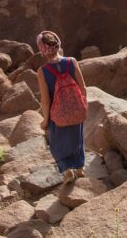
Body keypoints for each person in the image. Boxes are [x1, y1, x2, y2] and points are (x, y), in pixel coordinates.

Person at [35, 31, 87, 183]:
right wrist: (82, 105)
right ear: (58, 44)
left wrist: (45, 120)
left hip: (57, 116)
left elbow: (45, 100)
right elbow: (82, 87)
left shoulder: (43, 71)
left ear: (41, 49)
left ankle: (68, 171)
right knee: (78, 139)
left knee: (58, 142)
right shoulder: (71, 62)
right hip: (76, 110)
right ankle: (80, 169)